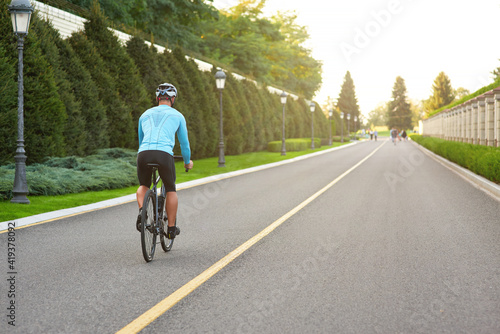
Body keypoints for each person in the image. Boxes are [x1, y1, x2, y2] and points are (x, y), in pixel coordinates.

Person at [136, 83, 193, 239]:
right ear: (172, 99)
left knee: (143, 186)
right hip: (164, 154)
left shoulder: (144, 114)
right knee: (170, 189)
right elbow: (184, 144)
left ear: (157, 98)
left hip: (144, 153)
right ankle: (171, 228)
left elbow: (141, 141)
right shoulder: (178, 115)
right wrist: (187, 162)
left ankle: (142, 211)